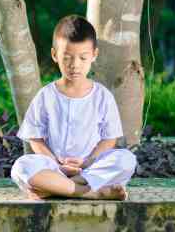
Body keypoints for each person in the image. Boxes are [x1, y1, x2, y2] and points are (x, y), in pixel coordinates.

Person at [10, 15, 137, 200]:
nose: (75, 65)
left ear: (94, 55)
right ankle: (89, 193)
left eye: (83, 58)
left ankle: (56, 188)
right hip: (54, 167)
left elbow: (109, 139)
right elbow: (35, 138)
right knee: (20, 167)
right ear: (55, 55)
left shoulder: (102, 97)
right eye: (67, 58)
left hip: (90, 167)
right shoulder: (46, 96)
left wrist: (87, 162)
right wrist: (56, 163)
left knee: (126, 160)